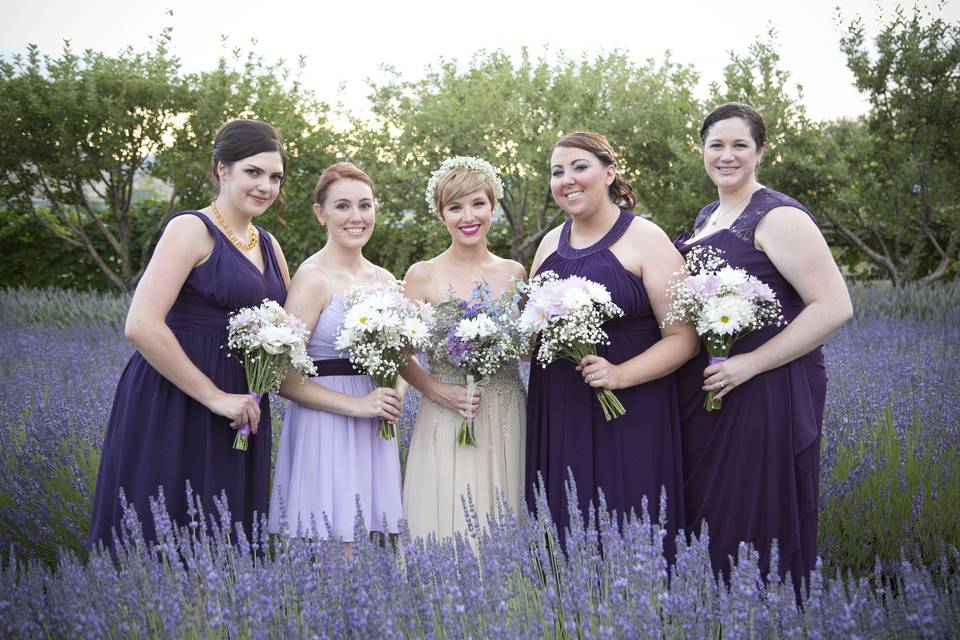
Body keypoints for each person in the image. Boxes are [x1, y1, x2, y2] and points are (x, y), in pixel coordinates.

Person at [674, 102, 853, 591]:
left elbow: (834, 305)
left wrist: (749, 364)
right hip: (713, 385)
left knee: (752, 511)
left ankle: (765, 611)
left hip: (765, 385)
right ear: (702, 150)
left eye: (739, 145)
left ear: (760, 152)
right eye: (717, 145)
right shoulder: (709, 215)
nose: (726, 156)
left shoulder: (777, 216)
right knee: (709, 512)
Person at [88, 119, 291, 550]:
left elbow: (288, 332)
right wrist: (215, 396)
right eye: (253, 172)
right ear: (222, 169)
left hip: (244, 406)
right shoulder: (191, 229)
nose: (266, 187)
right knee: (163, 525)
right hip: (176, 400)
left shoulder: (270, 245)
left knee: (228, 535)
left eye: (275, 177)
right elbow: (141, 324)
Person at [525, 132, 698, 553]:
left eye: (579, 167)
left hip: (631, 408)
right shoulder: (550, 244)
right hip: (560, 405)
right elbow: (532, 329)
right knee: (563, 518)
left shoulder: (647, 238)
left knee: (630, 520)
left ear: (610, 172)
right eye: (557, 172)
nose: (567, 179)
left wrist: (620, 375)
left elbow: (684, 338)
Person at [268, 162, 403, 551]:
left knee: (369, 543)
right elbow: (283, 377)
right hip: (327, 424)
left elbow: (402, 354)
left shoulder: (384, 279)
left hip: (375, 421)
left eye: (365, 205)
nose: (356, 217)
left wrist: (395, 396)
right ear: (320, 213)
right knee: (334, 545)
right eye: (342, 206)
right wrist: (357, 406)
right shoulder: (313, 278)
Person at [401, 156, 527, 539]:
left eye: (478, 204)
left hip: (507, 410)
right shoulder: (422, 275)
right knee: (450, 518)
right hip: (447, 411)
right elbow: (400, 353)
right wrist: (438, 390)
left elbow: (525, 348)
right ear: (441, 215)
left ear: (492, 207)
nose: (468, 216)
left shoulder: (514, 273)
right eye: (455, 207)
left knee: (506, 516)